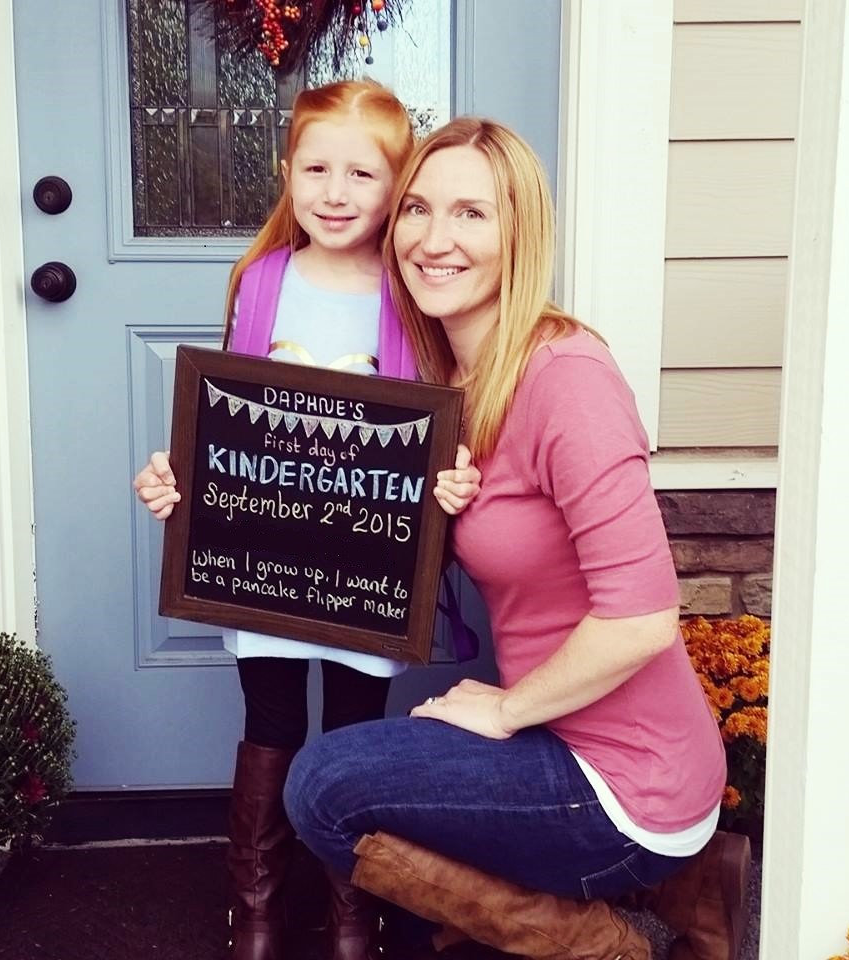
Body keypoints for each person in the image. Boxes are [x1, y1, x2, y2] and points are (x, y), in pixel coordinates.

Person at [282, 117, 752, 960]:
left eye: (471, 213)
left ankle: (609, 944)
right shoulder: (446, 380)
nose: (433, 239)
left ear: (520, 235)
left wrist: (504, 709)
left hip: (626, 780)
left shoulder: (567, 377)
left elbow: (644, 617)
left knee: (322, 788)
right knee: (367, 790)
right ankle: (679, 894)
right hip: (557, 737)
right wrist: (195, 487)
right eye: (418, 208)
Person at [132, 81, 480, 960]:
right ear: (287, 172)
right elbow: (227, 416)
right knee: (273, 718)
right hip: (267, 557)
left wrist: (455, 476)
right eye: (316, 169)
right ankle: (255, 907)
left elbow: (449, 416)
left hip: (369, 565)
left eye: (362, 174)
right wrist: (179, 479)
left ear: (397, 188)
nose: (335, 192)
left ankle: (352, 907)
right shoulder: (262, 281)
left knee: (356, 731)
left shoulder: (414, 290)